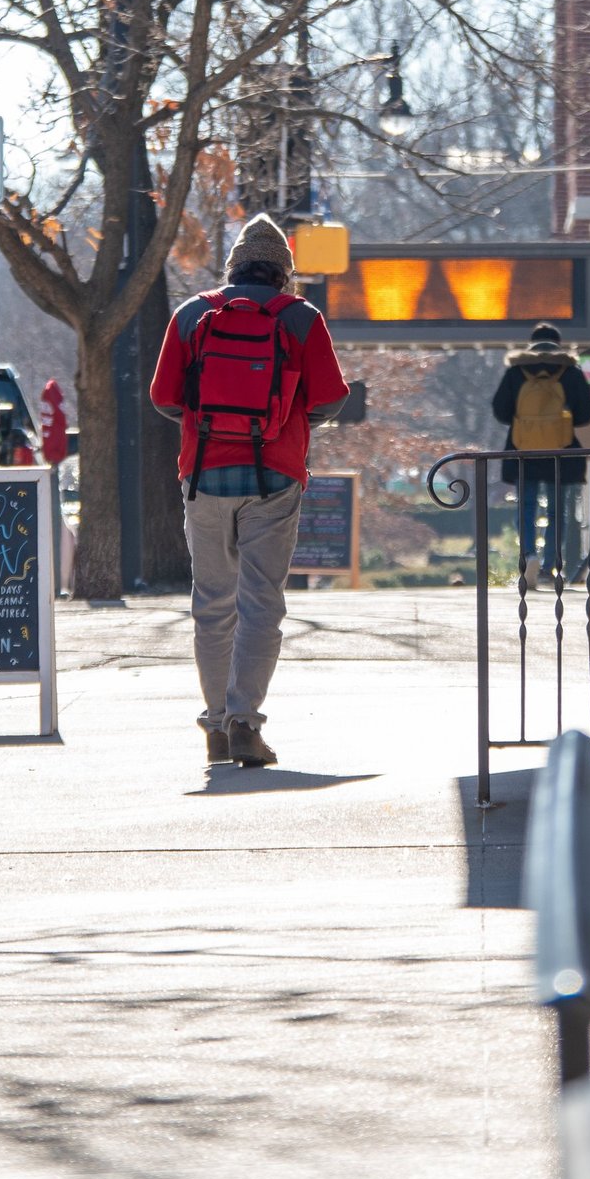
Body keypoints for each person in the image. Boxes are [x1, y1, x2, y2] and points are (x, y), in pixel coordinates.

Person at [151, 214, 350, 769]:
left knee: (212, 604)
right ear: (283, 274)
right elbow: (331, 397)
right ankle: (245, 722)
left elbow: (164, 397)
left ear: (233, 266)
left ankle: (215, 724)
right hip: (275, 478)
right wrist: (285, 420)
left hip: (204, 475)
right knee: (261, 603)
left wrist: (210, 419)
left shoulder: (193, 314)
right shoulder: (301, 318)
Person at [492, 322, 590, 590]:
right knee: (556, 510)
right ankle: (550, 568)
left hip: (523, 450)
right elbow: (585, 414)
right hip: (559, 452)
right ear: (557, 343)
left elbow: (500, 411)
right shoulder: (569, 371)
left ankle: (528, 557)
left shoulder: (517, 371)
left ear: (532, 343)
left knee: (525, 506)